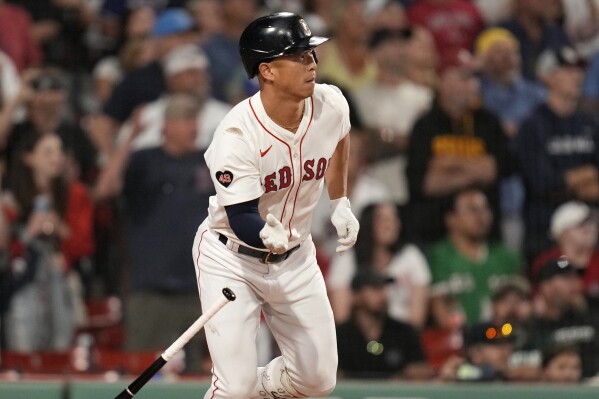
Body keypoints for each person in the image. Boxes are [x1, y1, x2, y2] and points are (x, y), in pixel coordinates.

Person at [191, 12, 359, 399]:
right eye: (298, 56)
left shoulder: (330, 102)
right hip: (231, 257)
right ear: (266, 70)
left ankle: (259, 388)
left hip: (296, 257)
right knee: (234, 389)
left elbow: (340, 139)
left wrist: (340, 201)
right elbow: (242, 216)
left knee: (318, 381)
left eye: (311, 54)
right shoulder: (236, 134)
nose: (312, 63)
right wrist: (265, 233)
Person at [94, 94, 215, 373]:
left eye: (194, 120)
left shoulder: (206, 161)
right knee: (143, 370)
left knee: (198, 374)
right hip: (150, 289)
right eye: (186, 120)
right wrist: (128, 140)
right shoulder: (143, 160)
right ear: (167, 126)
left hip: (198, 288)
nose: (193, 127)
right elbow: (105, 190)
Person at [427, 187, 524, 327]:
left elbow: (522, 305)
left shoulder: (507, 257)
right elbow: (440, 308)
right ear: (451, 219)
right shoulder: (439, 257)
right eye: (472, 210)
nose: (481, 215)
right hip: (461, 340)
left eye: (485, 209)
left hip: (504, 337)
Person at [336, 269, 433, 380]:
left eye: (384, 288)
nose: (383, 294)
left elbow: (421, 368)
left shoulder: (404, 332)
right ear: (356, 295)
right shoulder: (340, 335)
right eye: (375, 288)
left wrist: (409, 375)